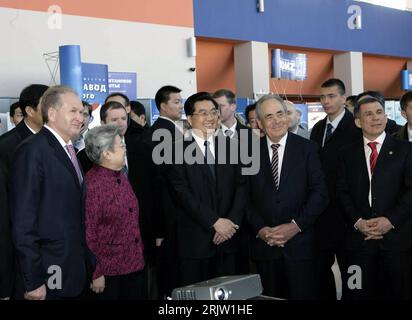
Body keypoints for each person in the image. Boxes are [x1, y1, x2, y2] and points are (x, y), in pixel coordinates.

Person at [10, 85, 94, 300]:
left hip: (74, 270)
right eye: (73, 111)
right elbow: (23, 221)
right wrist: (34, 280)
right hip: (48, 273)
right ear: (53, 113)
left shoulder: (69, 151)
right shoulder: (33, 150)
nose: (80, 117)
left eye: (82, 112)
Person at [247, 94, 328, 299]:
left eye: (280, 114)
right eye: (269, 116)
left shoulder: (307, 148)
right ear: (260, 123)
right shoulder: (248, 153)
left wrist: (295, 226)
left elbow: (320, 193)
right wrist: (261, 229)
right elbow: (243, 198)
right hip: (266, 245)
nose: (276, 121)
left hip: (301, 245)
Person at [167, 92, 247, 286]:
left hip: (229, 238)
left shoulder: (234, 147)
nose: (210, 118)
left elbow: (243, 187)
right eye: (203, 113)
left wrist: (230, 223)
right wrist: (214, 222)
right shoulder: (174, 150)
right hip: (196, 241)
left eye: (213, 112)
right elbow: (182, 194)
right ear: (189, 118)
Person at [337, 97, 412, 300]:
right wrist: (358, 222)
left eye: (379, 112)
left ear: (386, 117)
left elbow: (410, 192)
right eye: (368, 114)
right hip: (358, 243)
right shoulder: (345, 154)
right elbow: (342, 192)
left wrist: (390, 221)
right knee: (357, 292)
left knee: (398, 294)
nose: (375, 118)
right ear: (358, 122)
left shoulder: (405, 150)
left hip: (397, 243)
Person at [310, 78, 361, 299]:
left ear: (343, 98)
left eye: (331, 96)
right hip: (320, 214)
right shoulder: (319, 128)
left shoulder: (355, 127)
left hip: (347, 215)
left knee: (352, 271)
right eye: (322, 97)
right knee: (321, 270)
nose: (326, 101)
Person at [84, 124, 145, 299]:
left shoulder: (120, 174)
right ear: (106, 153)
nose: (125, 149)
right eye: (121, 145)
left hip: (132, 265)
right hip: (109, 273)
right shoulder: (94, 185)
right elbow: (89, 233)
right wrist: (96, 272)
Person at [0, 84, 49, 300]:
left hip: (52, 253)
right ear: (30, 110)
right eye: (48, 106)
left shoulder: (55, 142)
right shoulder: (7, 147)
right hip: (20, 257)